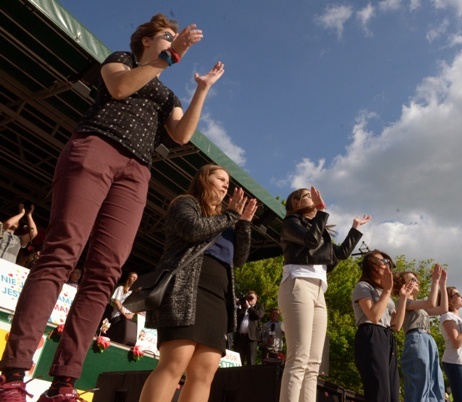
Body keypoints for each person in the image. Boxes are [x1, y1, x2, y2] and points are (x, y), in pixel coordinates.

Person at [0, 13, 225, 402]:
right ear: (146, 41)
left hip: (137, 171)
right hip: (96, 147)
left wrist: (201, 89)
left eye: (173, 37)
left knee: (105, 272)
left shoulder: (167, 95)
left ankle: (65, 382)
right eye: (165, 36)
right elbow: (120, 89)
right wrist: (169, 58)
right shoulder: (120, 59)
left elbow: (182, 136)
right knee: (62, 252)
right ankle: (14, 373)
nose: (172, 41)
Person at [138, 164, 257, 402]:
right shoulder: (186, 203)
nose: (226, 185)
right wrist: (230, 215)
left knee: (205, 373)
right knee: (174, 363)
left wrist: (243, 224)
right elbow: (192, 230)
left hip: (217, 301)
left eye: (227, 181)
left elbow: (239, 258)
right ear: (204, 179)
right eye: (220, 179)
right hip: (186, 291)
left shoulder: (226, 220)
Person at [279, 186, 370, 402]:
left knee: (313, 364)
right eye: (306, 196)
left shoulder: (321, 232)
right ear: (294, 204)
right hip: (298, 284)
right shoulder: (291, 223)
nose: (312, 198)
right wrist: (321, 212)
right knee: (298, 358)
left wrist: (355, 229)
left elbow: (340, 255)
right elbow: (310, 241)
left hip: (319, 290)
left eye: (312, 196)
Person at [352, 250, 413, 402]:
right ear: (370, 264)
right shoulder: (363, 286)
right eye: (381, 261)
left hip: (387, 337)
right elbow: (373, 316)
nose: (386, 264)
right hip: (371, 334)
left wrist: (403, 299)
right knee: (379, 391)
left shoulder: (384, 293)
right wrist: (387, 290)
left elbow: (397, 326)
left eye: (387, 262)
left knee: (392, 393)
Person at [392, 264, 448, 402]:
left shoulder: (417, 303)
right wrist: (434, 281)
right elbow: (431, 303)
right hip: (416, 338)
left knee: (435, 382)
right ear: (403, 284)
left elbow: (443, 309)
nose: (417, 282)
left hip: (428, 339)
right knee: (419, 382)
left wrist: (442, 284)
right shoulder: (402, 301)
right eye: (412, 279)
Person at [234, 290, 264, 366]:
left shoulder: (259, 307)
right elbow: (235, 317)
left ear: (256, 299)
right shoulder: (243, 308)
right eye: (248, 297)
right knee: (238, 361)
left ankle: (249, 378)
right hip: (240, 338)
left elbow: (259, 315)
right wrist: (238, 305)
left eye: (252, 298)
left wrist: (249, 307)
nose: (250, 299)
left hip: (251, 339)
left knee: (251, 362)